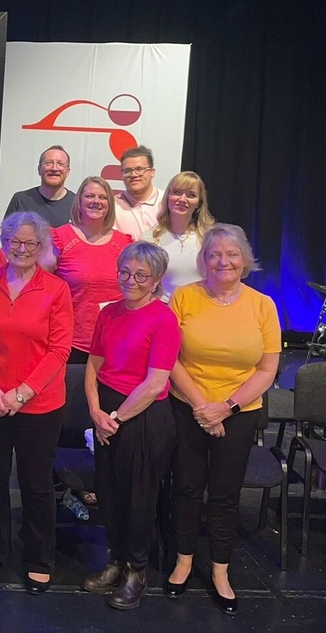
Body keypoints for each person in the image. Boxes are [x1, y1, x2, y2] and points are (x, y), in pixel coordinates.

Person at [166, 224, 279, 615]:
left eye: (231, 254)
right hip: (187, 406)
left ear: (245, 260)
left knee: (226, 495)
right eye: (214, 254)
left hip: (239, 411)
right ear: (204, 261)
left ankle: (219, 569)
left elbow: (267, 369)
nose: (223, 261)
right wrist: (202, 406)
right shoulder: (184, 297)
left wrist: (225, 407)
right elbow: (170, 359)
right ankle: (183, 561)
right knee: (186, 488)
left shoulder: (263, 304)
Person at [0, 212, 73, 594]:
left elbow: (60, 348)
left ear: (42, 246)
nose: (22, 249)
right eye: (15, 241)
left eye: (31, 243)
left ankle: (38, 558)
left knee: (36, 484)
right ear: (4, 243)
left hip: (40, 404)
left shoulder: (56, 289)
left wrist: (21, 392)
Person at [81, 242, 180, 610]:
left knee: (139, 498)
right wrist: (95, 411)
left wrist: (116, 419)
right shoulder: (109, 313)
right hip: (106, 410)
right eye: (125, 272)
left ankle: (136, 571)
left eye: (141, 276)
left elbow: (155, 383)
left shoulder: (164, 319)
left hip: (142, 418)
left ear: (155, 281)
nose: (131, 281)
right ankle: (116, 559)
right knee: (108, 493)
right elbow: (93, 366)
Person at [51, 176, 133, 363]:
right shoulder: (60, 238)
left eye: (103, 197)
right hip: (70, 344)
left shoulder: (124, 244)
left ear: (110, 204)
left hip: (115, 343)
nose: (96, 201)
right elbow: (43, 286)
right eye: (90, 196)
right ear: (79, 201)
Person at [148, 171, 216, 300]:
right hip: (165, 313)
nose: (182, 199)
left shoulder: (210, 237)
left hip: (202, 310)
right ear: (168, 196)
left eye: (191, 195)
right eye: (177, 192)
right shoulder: (150, 238)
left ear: (198, 202)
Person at [3, 145, 75, 229]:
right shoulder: (21, 200)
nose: (54, 168)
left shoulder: (77, 204)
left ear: (67, 172)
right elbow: (6, 236)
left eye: (60, 164)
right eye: (49, 163)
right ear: (39, 169)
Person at [113, 146, 162, 240]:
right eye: (127, 171)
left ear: (152, 172)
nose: (133, 175)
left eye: (139, 169)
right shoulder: (112, 206)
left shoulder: (167, 201)